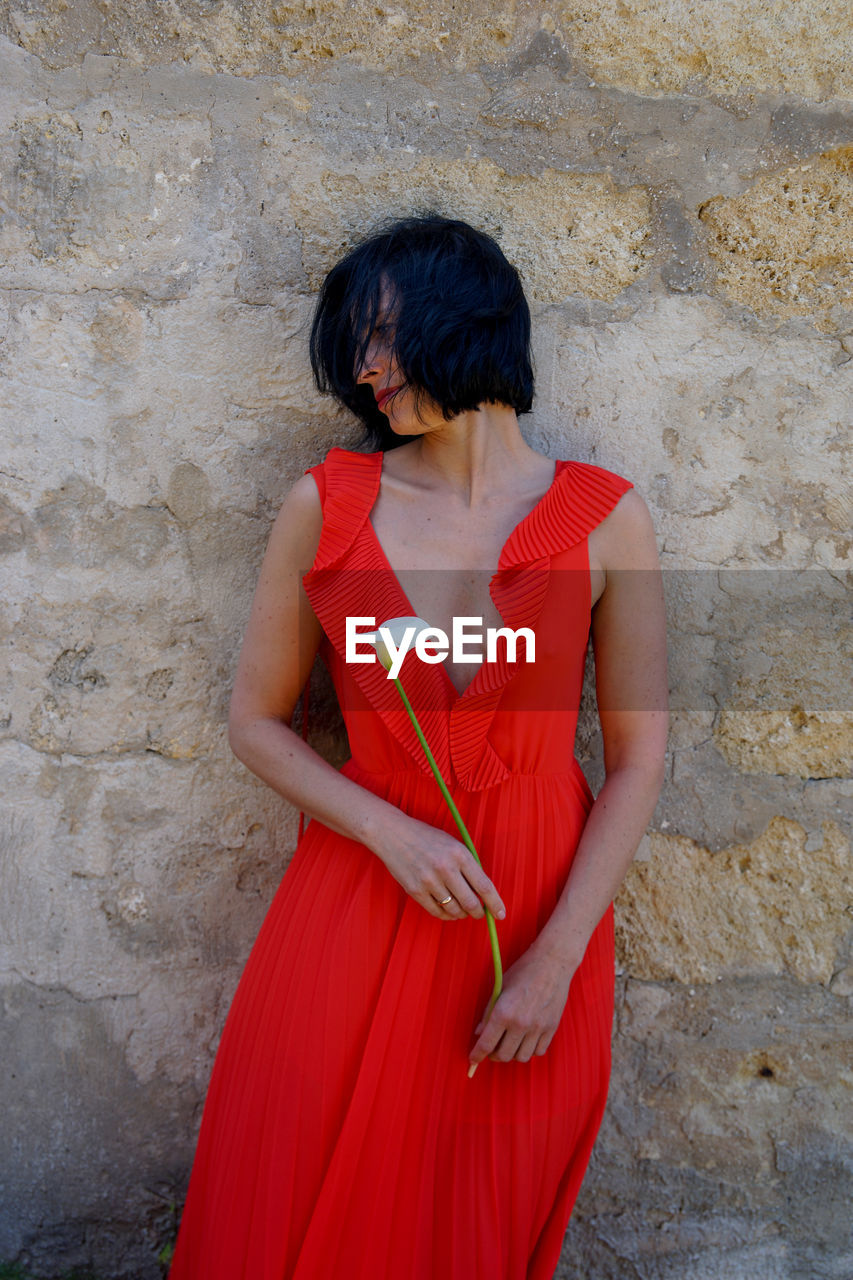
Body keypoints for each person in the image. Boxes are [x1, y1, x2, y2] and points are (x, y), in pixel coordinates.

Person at [169, 214, 668, 1279]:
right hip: (354, 898)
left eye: (386, 335)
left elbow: (637, 759)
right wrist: (388, 828)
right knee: (294, 1191)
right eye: (356, 343)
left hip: (532, 917)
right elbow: (255, 718)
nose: (365, 367)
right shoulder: (328, 505)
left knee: (471, 1213)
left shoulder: (605, 519)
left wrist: (554, 961)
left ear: (469, 321)